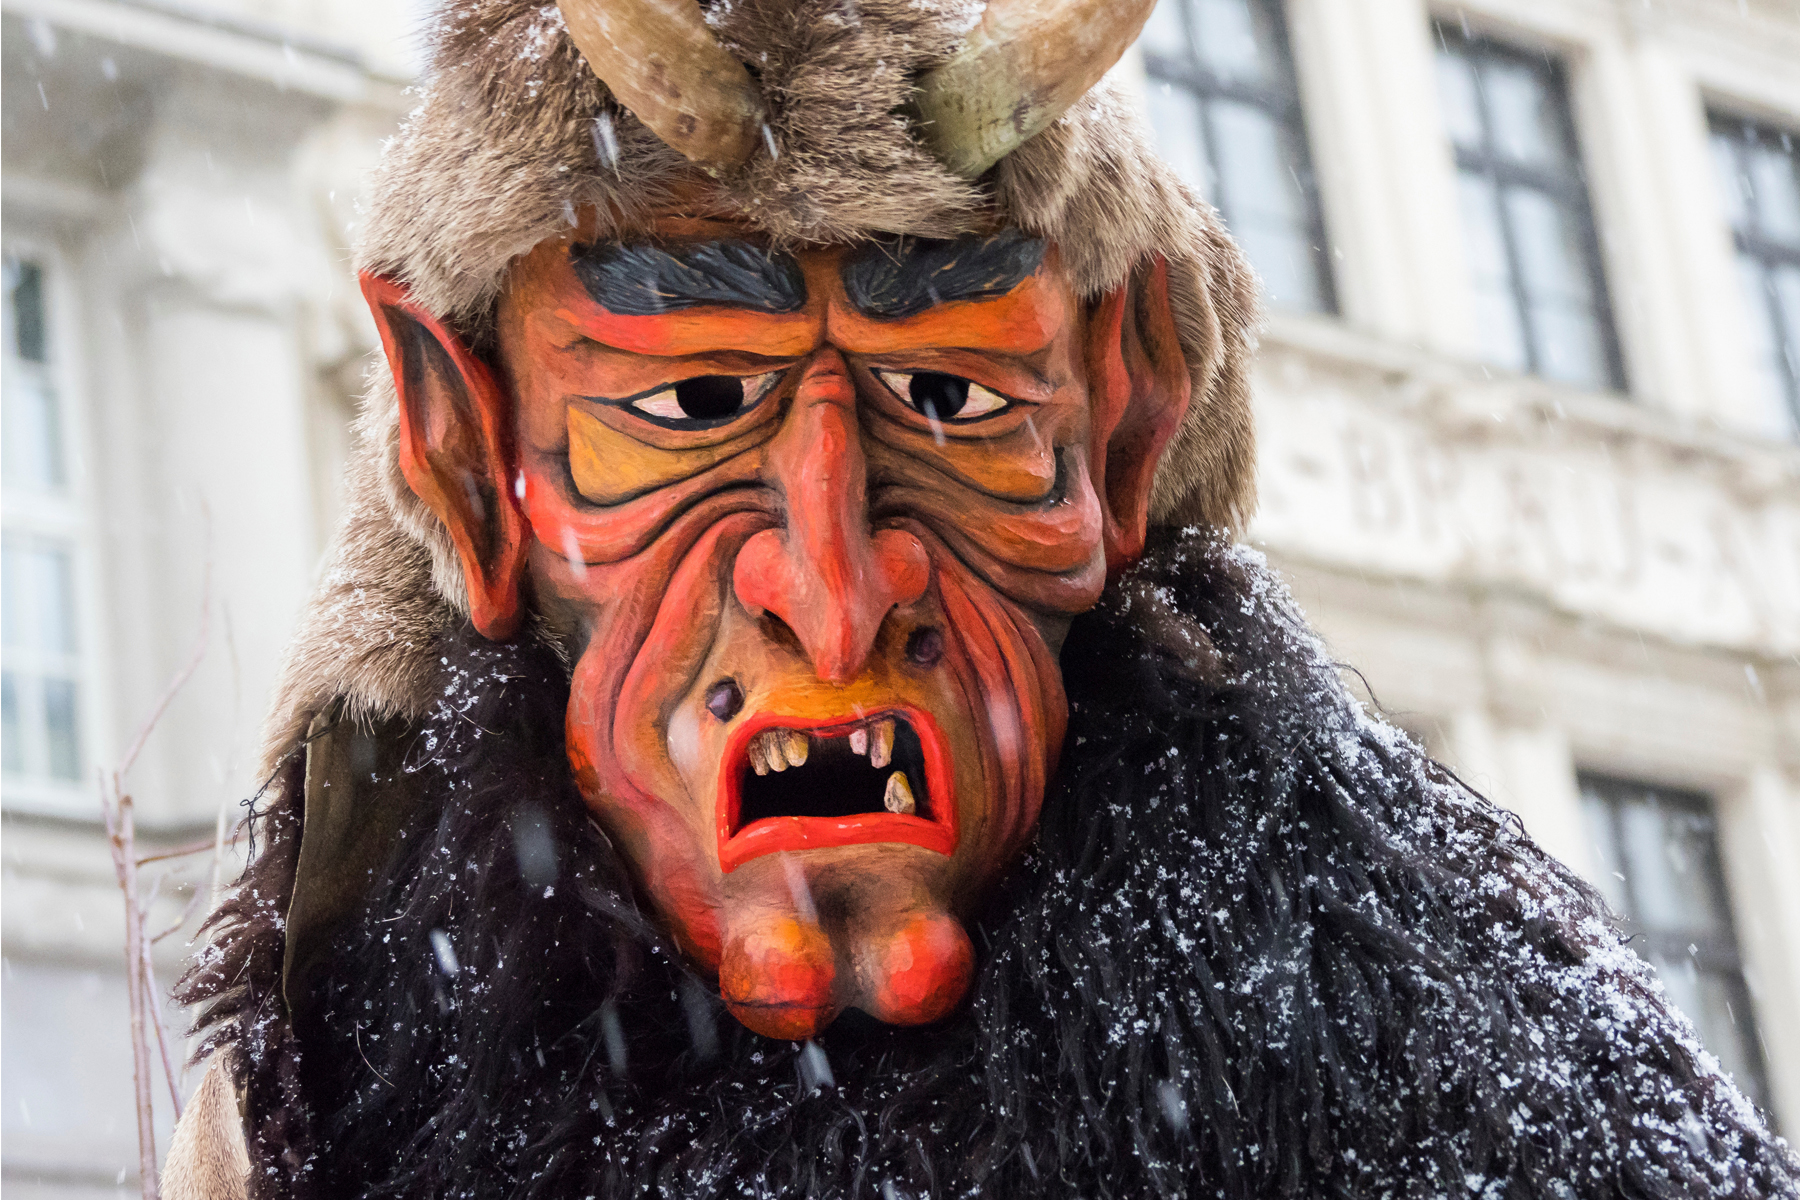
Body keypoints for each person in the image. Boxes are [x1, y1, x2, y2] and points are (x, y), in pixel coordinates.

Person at [165, 1, 1799, 1195]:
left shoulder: (1429, 1080)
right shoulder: (344, 1097)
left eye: (950, 404)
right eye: (688, 406)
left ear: (1125, 433)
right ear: (469, 467)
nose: (835, 591)